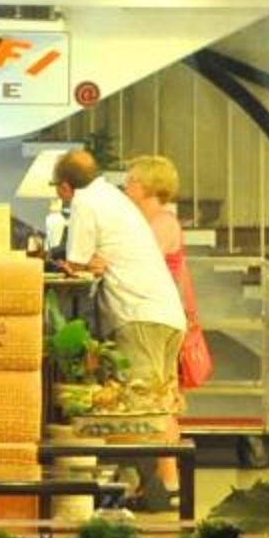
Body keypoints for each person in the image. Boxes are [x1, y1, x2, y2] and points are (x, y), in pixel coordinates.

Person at [52, 149, 189, 393]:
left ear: (64, 187)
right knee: (162, 405)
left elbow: (76, 263)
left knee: (139, 404)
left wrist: (74, 262)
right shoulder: (112, 196)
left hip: (138, 317)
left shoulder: (85, 200)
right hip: (166, 315)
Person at [124, 154, 215, 395]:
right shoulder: (150, 222)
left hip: (156, 316)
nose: (126, 186)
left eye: (132, 180)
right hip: (157, 314)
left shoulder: (162, 223)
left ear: (149, 185)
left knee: (151, 392)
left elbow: (138, 263)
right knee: (163, 392)